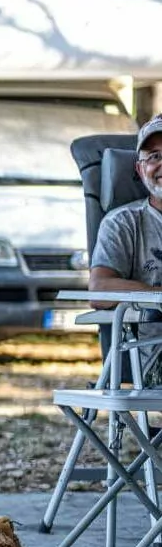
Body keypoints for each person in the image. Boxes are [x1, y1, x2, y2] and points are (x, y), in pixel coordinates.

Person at [90, 116, 162, 385]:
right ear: (140, 169)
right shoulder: (123, 223)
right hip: (155, 355)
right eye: (154, 156)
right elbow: (99, 290)